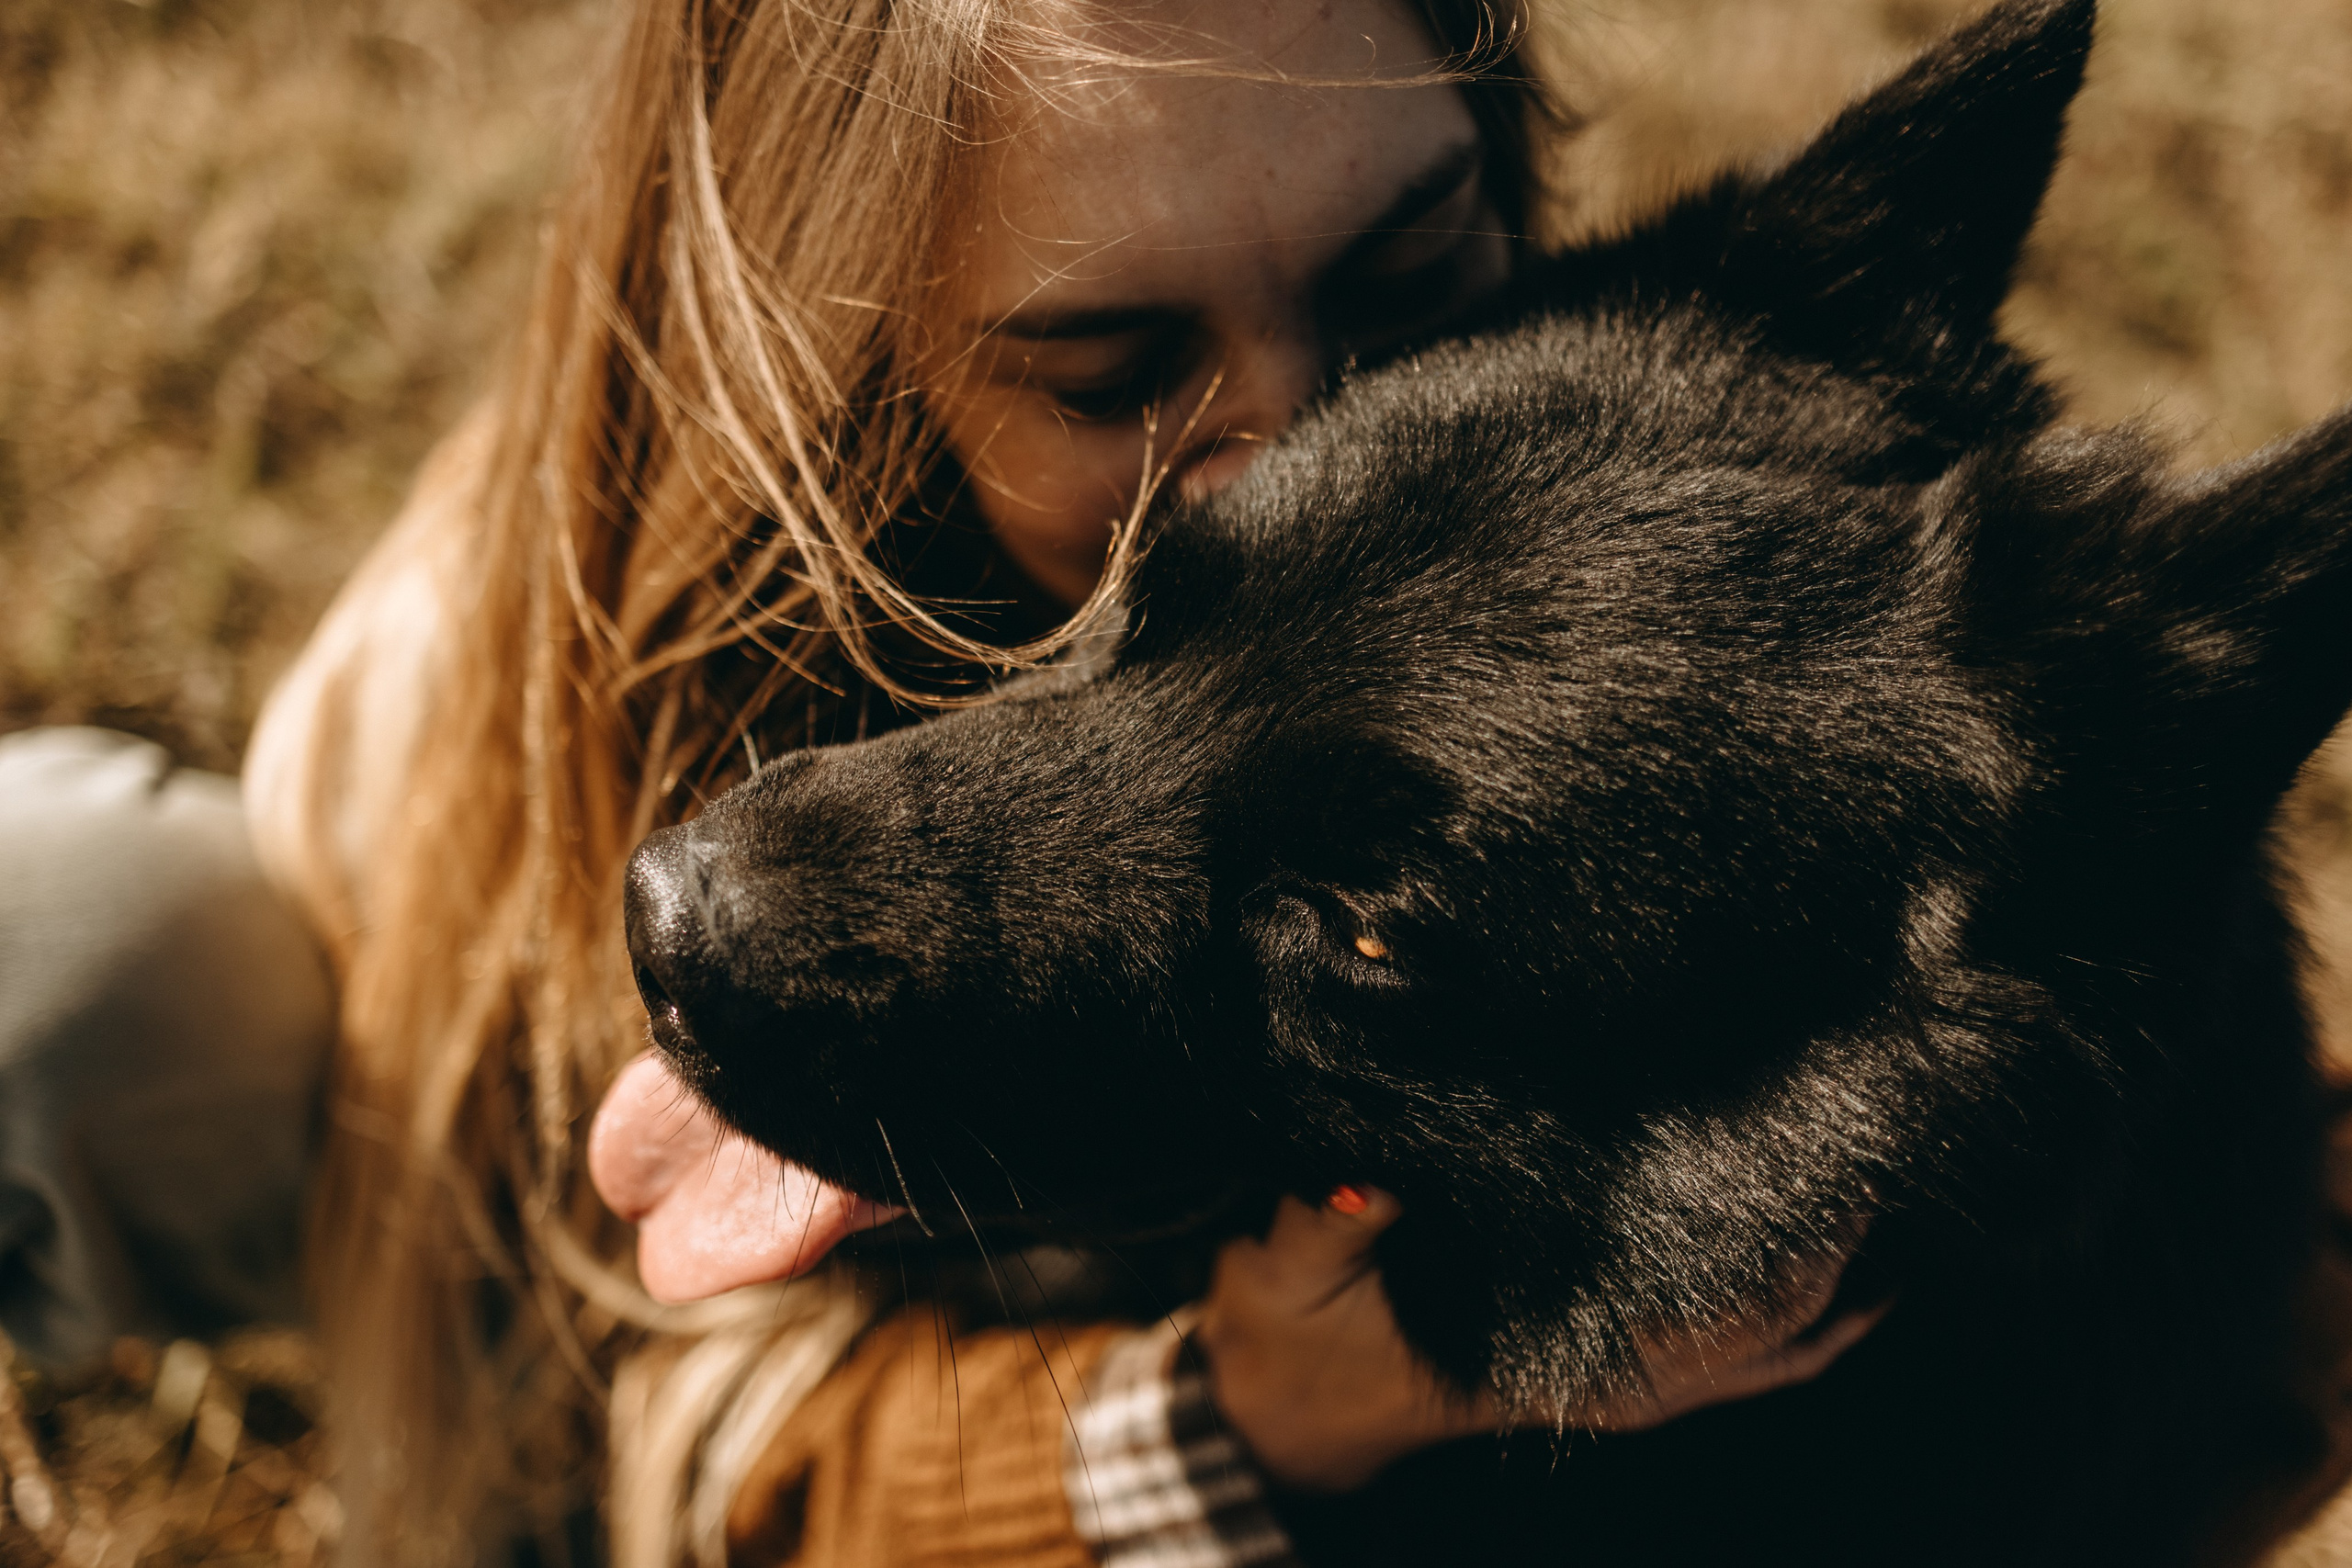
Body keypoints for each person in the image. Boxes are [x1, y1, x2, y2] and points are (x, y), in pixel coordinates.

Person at [1, 1, 1880, 1562]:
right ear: (841, 356)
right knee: (66, 956)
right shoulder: (624, 705)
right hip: (431, 1150)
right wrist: (1256, 1419)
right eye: (1113, 369)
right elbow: (679, 1447)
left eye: (1400, 275)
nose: (1303, 457)